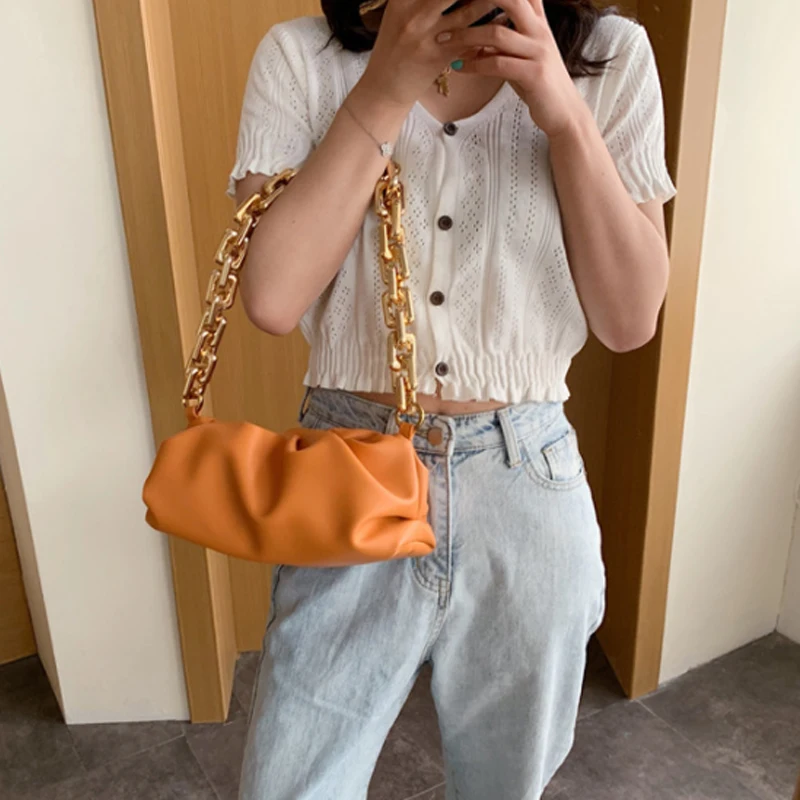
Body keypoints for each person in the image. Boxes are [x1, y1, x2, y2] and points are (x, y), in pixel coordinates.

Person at [228, 0, 676, 797]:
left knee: (508, 783)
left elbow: (629, 318)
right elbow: (272, 298)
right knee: (291, 782)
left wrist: (563, 114)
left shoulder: (610, 56)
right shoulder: (302, 57)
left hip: (525, 482)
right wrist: (382, 91)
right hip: (351, 473)